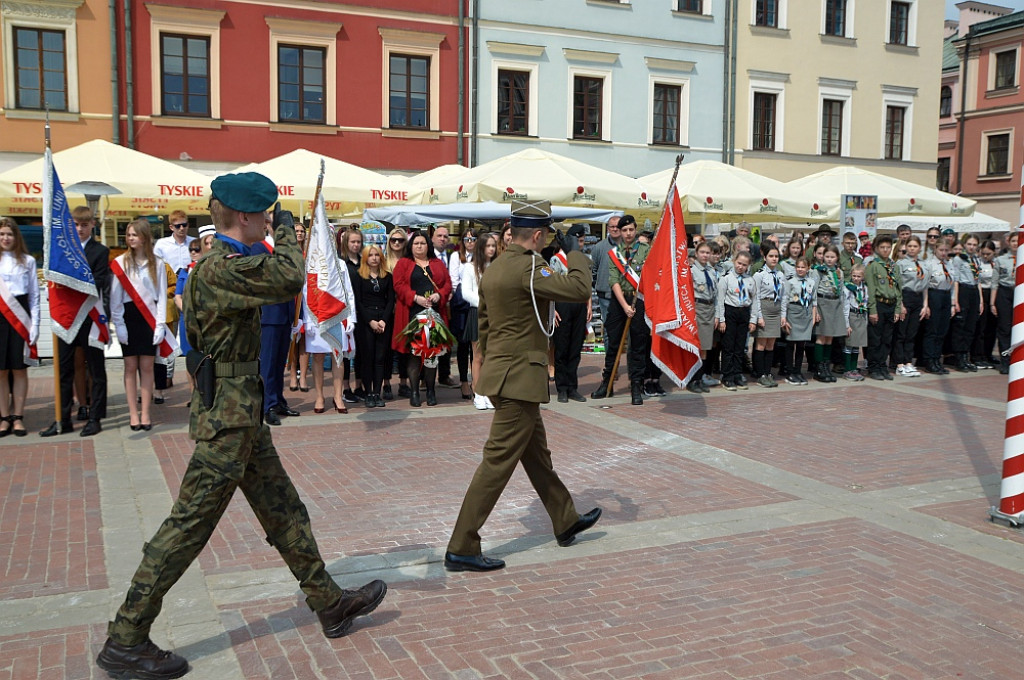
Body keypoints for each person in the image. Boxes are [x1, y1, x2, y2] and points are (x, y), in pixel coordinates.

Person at [96, 173, 386, 679]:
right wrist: (295, 230)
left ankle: (328, 602)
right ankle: (126, 636)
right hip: (226, 423)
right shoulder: (219, 267)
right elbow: (290, 276)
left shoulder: (228, 261)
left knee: (284, 510)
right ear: (245, 217)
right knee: (187, 527)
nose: (272, 220)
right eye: (268, 213)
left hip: (241, 414)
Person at [444, 200, 601, 573]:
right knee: (497, 463)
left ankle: (564, 519)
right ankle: (462, 544)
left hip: (504, 375)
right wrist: (574, 251)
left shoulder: (496, 268)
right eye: (546, 236)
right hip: (519, 379)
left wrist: (484, 368)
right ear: (537, 235)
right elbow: (579, 288)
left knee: (536, 456)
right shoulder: (530, 266)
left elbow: (485, 324)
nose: (548, 241)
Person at [40, 207, 110, 438]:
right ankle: (63, 418)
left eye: (84, 224)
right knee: (64, 369)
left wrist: (72, 282)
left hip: (89, 316)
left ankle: (95, 417)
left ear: (92, 225)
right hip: (66, 317)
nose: (79, 229)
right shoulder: (61, 250)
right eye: (76, 225)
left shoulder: (100, 251)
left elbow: (99, 281)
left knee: (96, 369)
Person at [110, 219, 169, 431]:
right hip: (129, 317)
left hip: (149, 318)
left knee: (147, 367)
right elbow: (115, 299)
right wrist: (119, 325)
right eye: (129, 235)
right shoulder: (121, 262)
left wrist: (160, 324)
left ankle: (145, 413)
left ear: (144, 237)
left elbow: (161, 296)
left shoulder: (158, 263)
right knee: (130, 367)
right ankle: (133, 414)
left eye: (134, 234)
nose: (130, 238)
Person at [591, 215, 651, 405]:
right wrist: (625, 306)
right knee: (613, 342)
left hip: (638, 300)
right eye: (624, 230)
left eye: (630, 230)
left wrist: (633, 304)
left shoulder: (645, 251)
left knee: (637, 345)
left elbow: (649, 276)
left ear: (635, 230)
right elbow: (613, 280)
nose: (627, 233)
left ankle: (636, 386)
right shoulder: (613, 253)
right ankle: (606, 383)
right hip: (619, 301)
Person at [392, 230, 452, 407]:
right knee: (414, 355)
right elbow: (398, 285)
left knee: (431, 355)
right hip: (412, 314)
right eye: (416, 243)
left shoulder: (437, 263)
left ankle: (431, 390)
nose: (419, 246)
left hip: (433, 315)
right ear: (411, 246)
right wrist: (414, 297)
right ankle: (415, 391)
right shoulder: (404, 263)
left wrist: (438, 295)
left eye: (423, 243)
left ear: (428, 245)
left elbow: (447, 284)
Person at [254, 217, 298, 426]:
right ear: (270, 227)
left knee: (281, 362)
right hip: (270, 314)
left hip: (286, 312)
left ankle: (278, 399)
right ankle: (266, 405)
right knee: (268, 363)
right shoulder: (259, 249)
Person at [0, 217, 39, 437]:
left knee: (19, 369)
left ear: (16, 237)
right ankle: (4, 417)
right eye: (2, 234)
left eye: (10, 234)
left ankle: (18, 417)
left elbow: (34, 296)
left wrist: (35, 325)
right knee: (1, 371)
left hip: (20, 317)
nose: (6, 238)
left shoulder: (28, 261)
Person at [551, 224, 591, 403]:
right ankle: (562, 388)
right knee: (562, 348)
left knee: (575, 348)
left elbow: (586, 283)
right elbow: (552, 287)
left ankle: (573, 387)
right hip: (563, 305)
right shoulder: (557, 260)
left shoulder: (582, 259)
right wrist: (553, 310)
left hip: (579, 305)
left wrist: (588, 304)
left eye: (582, 241)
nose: (580, 245)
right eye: (578, 241)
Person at [353, 243, 395, 407]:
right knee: (367, 358)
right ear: (365, 258)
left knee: (380, 358)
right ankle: (368, 392)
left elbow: (391, 300)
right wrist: (370, 321)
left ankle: (377, 393)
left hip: (383, 318)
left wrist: (384, 320)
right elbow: (358, 301)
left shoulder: (387, 276)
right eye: (370, 255)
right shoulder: (359, 276)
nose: (374, 258)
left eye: (377, 255)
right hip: (366, 320)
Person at [462, 232, 497, 411]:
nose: (491, 249)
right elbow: (466, 292)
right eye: (488, 246)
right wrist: (484, 304)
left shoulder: (498, 267)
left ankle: (489, 392)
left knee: (491, 356)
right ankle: (478, 391)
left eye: (493, 246)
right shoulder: (470, 267)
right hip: (478, 313)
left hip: (496, 315)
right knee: (478, 356)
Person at [716, 251, 758, 391]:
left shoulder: (750, 280)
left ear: (748, 266)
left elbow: (754, 300)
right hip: (730, 312)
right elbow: (720, 300)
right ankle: (727, 375)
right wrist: (721, 319)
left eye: (744, 265)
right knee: (728, 346)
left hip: (744, 312)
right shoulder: (726, 279)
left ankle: (737, 374)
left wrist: (753, 319)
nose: (741, 267)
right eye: (739, 263)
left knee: (740, 346)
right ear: (734, 261)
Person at [864, 235, 902, 381]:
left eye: (888, 247)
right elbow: (871, 290)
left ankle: (882, 365)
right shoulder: (873, 266)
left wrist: (898, 308)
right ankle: (873, 367)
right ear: (876, 249)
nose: (885, 250)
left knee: (887, 338)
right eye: (882, 247)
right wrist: (872, 310)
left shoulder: (894, 266)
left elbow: (898, 289)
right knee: (876, 338)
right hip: (879, 304)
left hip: (891, 304)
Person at [448, 228, 477, 400]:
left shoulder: (481, 257)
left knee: (476, 344)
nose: (470, 242)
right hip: (461, 304)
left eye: (473, 238)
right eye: (467, 239)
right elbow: (454, 280)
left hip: (476, 303)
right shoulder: (456, 256)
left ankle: (476, 379)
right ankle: (464, 381)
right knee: (463, 343)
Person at [894, 235, 928, 377]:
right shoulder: (900, 264)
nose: (912, 249)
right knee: (901, 333)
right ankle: (899, 363)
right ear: (906, 247)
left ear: (919, 248)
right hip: (905, 297)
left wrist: (925, 305)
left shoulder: (924, 265)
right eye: (910, 246)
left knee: (912, 333)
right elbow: (897, 286)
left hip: (918, 298)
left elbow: (925, 286)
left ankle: (908, 362)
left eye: (915, 246)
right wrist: (900, 304)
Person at [949, 234, 983, 372]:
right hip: (963, 290)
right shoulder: (958, 259)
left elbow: (978, 280)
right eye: (969, 244)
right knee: (960, 325)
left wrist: (981, 300)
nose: (972, 247)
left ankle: (965, 355)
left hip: (974, 291)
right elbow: (955, 280)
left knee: (971, 325)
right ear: (964, 245)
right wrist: (955, 300)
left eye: (974, 245)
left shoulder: (976, 259)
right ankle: (958, 357)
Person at [687, 241, 718, 393]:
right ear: (696, 254)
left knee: (705, 347)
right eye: (702, 252)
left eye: (708, 253)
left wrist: (718, 315)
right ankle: (692, 380)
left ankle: (700, 379)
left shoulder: (712, 271)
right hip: (697, 309)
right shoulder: (691, 271)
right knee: (696, 347)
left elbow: (716, 294)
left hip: (709, 309)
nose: (705, 255)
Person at [430, 225, 458, 389]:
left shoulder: (451, 256)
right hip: (432, 303)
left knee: (447, 339)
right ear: (433, 238)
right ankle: (425, 376)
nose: (442, 239)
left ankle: (444, 374)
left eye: (445, 236)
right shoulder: (427, 256)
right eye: (439, 236)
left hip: (449, 304)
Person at [811, 245, 845, 383]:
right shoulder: (818, 271)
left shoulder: (839, 272)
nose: (830, 260)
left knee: (830, 337)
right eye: (827, 257)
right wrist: (815, 309)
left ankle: (826, 365)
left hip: (835, 304)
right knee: (821, 336)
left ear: (837, 258)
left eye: (832, 257)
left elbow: (841, 290)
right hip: (822, 303)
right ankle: (819, 368)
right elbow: (813, 290)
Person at [337, 228, 364, 403]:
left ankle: (359, 385)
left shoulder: (365, 262)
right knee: (346, 350)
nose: (355, 245)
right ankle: (345, 387)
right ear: (346, 243)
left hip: (363, 311)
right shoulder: (341, 263)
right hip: (346, 312)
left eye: (358, 242)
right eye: (352, 242)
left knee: (361, 350)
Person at [174, 239, 203, 395]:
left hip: (204, 319)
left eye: (197, 249)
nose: (193, 252)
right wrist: (188, 310)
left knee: (204, 355)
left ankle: (205, 390)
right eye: (191, 249)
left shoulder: (207, 269)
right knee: (190, 355)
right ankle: (193, 392)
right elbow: (177, 295)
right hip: (187, 319)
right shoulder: (184, 271)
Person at [921, 239, 954, 375]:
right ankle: (929, 360)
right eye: (941, 250)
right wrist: (926, 304)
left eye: (946, 250)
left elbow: (953, 283)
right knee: (932, 330)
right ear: (935, 249)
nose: (944, 253)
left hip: (946, 295)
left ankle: (936, 359)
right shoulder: (929, 264)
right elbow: (925, 285)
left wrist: (952, 302)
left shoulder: (949, 264)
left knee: (942, 330)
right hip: (934, 295)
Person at [751, 242, 782, 388]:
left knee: (771, 343)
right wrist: (759, 316)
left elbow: (784, 295)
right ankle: (760, 373)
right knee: (761, 343)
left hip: (776, 309)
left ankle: (768, 372)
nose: (774, 259)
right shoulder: (759, 275)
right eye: (771, 256)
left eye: (776, 256)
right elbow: (755, 296)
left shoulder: (780, 275)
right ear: (765, 257)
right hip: (764, 307)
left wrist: (783, 314)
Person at [781, 256, 815, 384]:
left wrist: (813, 316)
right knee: (791, 343)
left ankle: (797, 370)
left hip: (805, 313)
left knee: (801, 344)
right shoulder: (790, 282)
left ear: (808, 268)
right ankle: (789, 371)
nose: (800, 269)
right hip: (793, 313)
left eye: (803, 267)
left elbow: (814, 301)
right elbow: (785, 299)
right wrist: (784, 317)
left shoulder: (811, 282)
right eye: (798, 267)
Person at [383, 228, 409, 398]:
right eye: (394, 240)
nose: (397, 243)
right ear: (389, 242)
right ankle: (386, 383)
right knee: (385, 348)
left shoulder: (409, 261)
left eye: (400, 240)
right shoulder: (383, 262)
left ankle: (403, 382)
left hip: (405, 308)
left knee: (404, 346)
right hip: (387, 310)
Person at [287, 222, 310, 393]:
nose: (300, 233)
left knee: (305, 339)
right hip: (293, 298)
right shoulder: (288, 254)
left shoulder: (309, 254)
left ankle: (303, 377)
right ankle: (293, 374)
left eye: (302, 231)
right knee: (293, 338)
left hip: (308, 299)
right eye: (297, 231)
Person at [991, 232, 1017, 374]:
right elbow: (994, 282)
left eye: (1017, 241)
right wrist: (992, 303)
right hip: (1004, 293)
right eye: (1012, 241)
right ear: (1008, 242)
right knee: (1004, 328)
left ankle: (1017, 359)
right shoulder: (1001, 260)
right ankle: (1005, 360)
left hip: (1020, 293)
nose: (1015, 243)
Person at [590, 216, 621, 325]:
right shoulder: (599, 247)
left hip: (626, 295)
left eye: (617, 226)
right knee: (609, 328)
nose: (615, 229)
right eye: (612, 227)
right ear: (608, 229)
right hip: (606, 296)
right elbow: (593, 270)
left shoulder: (629, 246)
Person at [841, 264, 869, 381]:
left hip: (861, 316)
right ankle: (847, 369)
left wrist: (865, 320)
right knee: (849, 344)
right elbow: (845, 306)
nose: (856, 278)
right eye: (854, 275)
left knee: (857, 344)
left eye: (858, 276)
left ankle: (854, 368)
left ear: (863, 277)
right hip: (851, 316)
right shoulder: (847, 287)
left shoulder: (864, 288)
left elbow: (865, 302)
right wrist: (846, 324)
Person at [974, 239, 998, 368]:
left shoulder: (996, 263)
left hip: (993, 293)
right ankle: (978, 355)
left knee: (991, 326)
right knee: (981, 327)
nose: (985, 256)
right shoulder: (978, 263)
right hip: (981, 291)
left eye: (988, 254)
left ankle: (988, 354)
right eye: (983, 253)